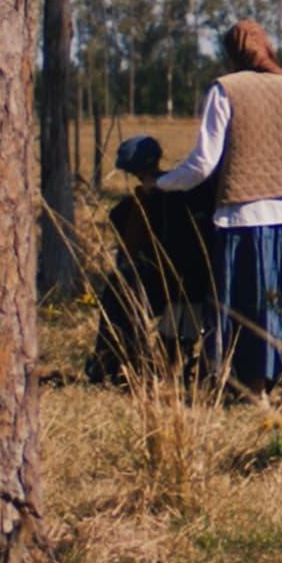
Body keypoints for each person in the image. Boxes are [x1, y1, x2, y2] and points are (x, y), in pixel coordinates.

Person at [149, 19, 282, 391]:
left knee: (250, 310)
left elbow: (202, 164)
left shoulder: (225, 90)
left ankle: (256, 391)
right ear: (268, 46)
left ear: (230, 53)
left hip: (245, 217)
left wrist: (161, 183)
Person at [85, 135, 217, 385]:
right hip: (195, 283)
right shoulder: (196, 190)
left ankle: (114, 364)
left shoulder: (133, 207)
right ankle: (166, 366)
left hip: (175, 285)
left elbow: (130, 253)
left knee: (121, 287)